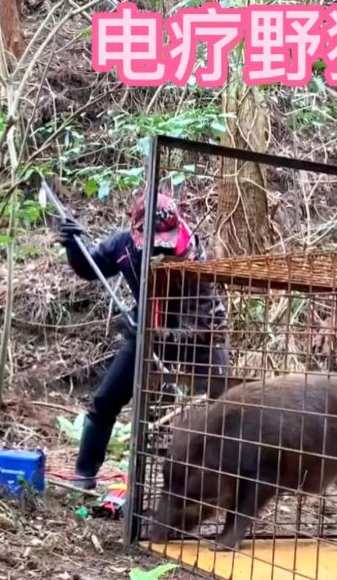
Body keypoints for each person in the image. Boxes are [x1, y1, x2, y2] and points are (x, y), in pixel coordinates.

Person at [54, 190, 231, 490]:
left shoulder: (194, 256)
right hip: (149, 329)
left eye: (165, 244)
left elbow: (209, 324)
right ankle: (85, 474)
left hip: (199, 338)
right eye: (153, 245)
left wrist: (154, 332)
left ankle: (227, 483)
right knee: (105, 401)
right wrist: (74, 246)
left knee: (225, 408)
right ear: (136, 231)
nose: (160, 251)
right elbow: (91, 266)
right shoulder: (124, 247)